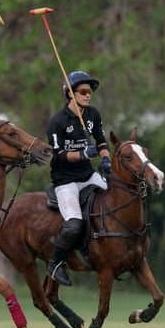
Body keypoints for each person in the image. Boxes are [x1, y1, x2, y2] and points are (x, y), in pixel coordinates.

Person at [44, 69, 111, 286]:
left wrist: (105, 159)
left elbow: (101, 141)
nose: (87, 95)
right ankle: (55, 263)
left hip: (88, 175)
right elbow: (59, 155)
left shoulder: (93, 115)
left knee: (116, 200)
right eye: (82, 91)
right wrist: (83, 154)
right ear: (70, 94)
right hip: (66, 181)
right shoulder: (58, 122)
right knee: (73, 224)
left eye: (90, 91)